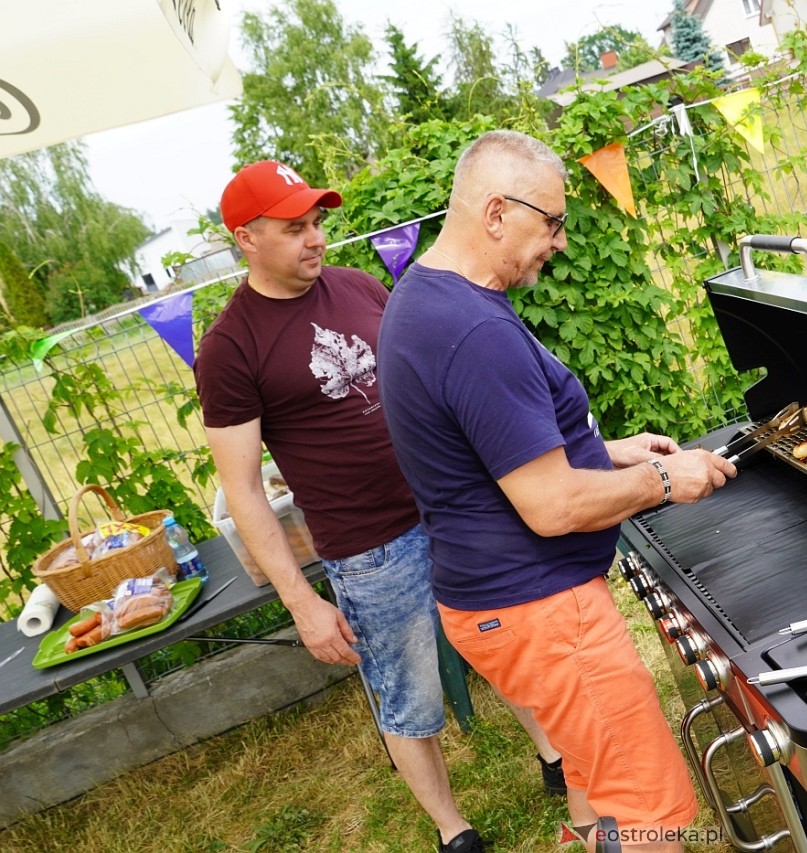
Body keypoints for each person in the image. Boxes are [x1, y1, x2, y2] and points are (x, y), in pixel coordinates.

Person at [378, 130, 738, 853]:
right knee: (646, 809)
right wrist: (666, 478)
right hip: (541, 611)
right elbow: (550, 506)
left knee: (589, 767)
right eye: (552, 223)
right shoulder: (472, 329)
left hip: (493, 605)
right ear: (496, 213)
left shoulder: (423, 297)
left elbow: (492, 452)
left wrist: (603, 451)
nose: (560, 243)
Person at [193, 160, 564, 853]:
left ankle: (553, 754)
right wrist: (302, 602)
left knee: (501, 638)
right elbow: (243, 489)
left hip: (447, 507)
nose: (315, 239)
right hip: (368, 550)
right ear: (245, 238)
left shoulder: (361, 286)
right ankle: (453, 829)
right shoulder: (229, 348)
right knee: (408, 691)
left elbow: (428, 378)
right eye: (294, 228)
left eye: (317, 222)